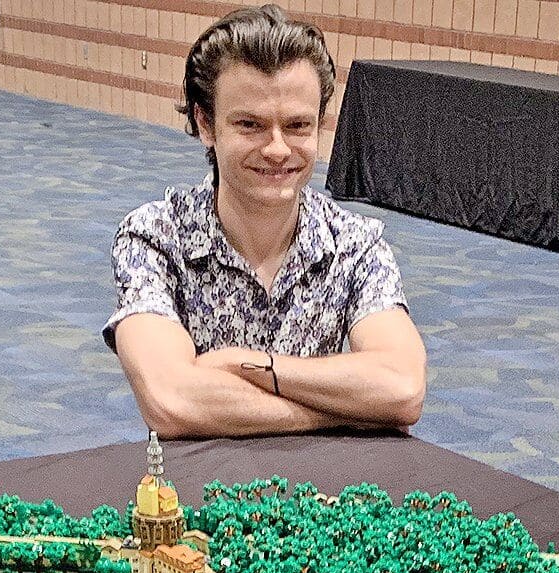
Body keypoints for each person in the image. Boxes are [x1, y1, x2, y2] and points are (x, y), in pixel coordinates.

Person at [106, 6, 425, 438]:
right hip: (199, 495)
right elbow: (172, 400)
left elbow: (402, 387)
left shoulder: (355, 243)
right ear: (206, 124)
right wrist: (349, 411)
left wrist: (245, 366)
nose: (277, 149)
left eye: (297, 125)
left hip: (325, 496)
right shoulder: (155, 237)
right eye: (250, 125)